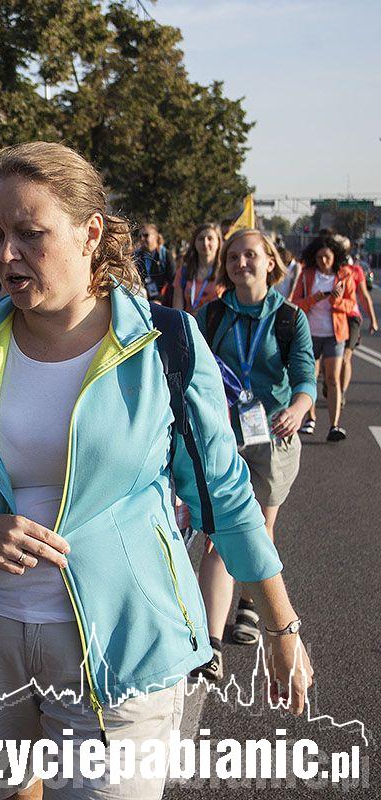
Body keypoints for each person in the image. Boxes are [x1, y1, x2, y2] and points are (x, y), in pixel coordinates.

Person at [0, 142, 312, 800]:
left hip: (124, 648)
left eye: (30, 234)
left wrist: (282, 627)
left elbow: (224, 496)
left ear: (90, 233)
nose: (6, 255)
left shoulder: (167, 341)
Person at [191, 229, 315, 678]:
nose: (241, 263)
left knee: (259, 528)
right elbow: (192, 367)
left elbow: (304, 376)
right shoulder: (211, 315)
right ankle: (211, 643)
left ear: (270, 262)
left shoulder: (289, 318)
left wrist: (298, 409)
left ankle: (249, 604)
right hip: (222, 435)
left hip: (273, 437)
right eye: (233, 257)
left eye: (250, 255)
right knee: (219, 532)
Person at [290, 234, 357, 441]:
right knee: (310, 377)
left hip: (335, 334)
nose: (323, 261)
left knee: (332, 379)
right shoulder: (307, 275)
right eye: (319, 258)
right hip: (309, 334)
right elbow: (295, 303)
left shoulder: (344, 276)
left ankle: (334, 425)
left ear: (335, 256)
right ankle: (310, 418)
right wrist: (313, 299)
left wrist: (336, 301)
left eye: (327, 257)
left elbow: (352, 305)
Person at [340, 251, 378, 405]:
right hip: (333, 316)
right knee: (329, 360)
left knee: (345, 357)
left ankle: (342, 392)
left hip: (352, 317)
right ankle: (332, 383)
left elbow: (364, 296)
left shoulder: (356, 271)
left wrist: (373, 320)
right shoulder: (328, 269)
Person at [171, 222, 223, 314]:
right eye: (201, 239)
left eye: (210, 238)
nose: (205, 243)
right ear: (194, 243)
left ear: (218, 242)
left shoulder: (225, 271)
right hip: (190, 322)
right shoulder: (183, 272)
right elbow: (177, 310)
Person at [133, 222, 175, 303]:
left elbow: (172, 282)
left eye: (146, 235)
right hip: (144, 301)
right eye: (140, 236)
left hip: (164, 302)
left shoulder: (165, 255)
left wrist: (162, 300)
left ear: (156, 237)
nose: (142, 238)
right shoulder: (136, 256)